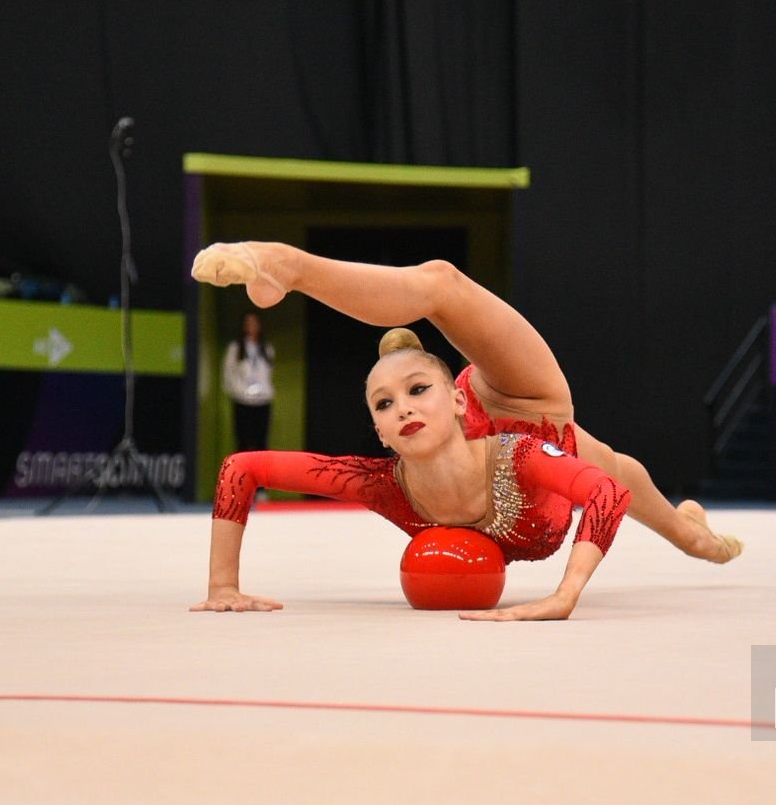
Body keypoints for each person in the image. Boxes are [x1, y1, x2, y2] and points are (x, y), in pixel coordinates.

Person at [189, 240, 744, 621]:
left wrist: (565, 595)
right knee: (612, 463)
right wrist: (222, 588)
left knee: (442, 283)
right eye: (384, 404)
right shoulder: (383, 482)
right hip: (522, 438)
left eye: (414, 392)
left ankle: (289, 267)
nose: (401, 409)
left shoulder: (519, 455)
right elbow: (243, 467)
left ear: (452, 397)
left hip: (521, 400)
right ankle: (693, 529)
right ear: (378, 432)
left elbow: (609, 494)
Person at [222, 311, 275, 452]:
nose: (252, 326)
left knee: (261, 444)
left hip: (263, 401)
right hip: (242, 400)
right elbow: (228, 373)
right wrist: (237, 391)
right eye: (249, 323)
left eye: (255, 323)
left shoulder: (267, 348)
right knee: (243, 443)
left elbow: (268, 374)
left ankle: (261, 474)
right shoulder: (235, 348)